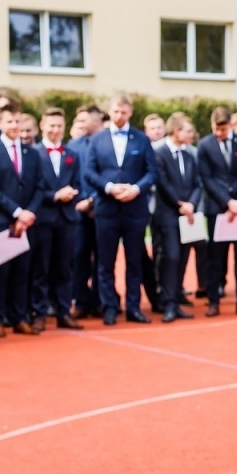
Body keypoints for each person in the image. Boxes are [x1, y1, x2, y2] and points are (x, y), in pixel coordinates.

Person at [84, 95, 155, 325]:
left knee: (135, 260)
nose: (119, 116)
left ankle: (133, 307)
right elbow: (89, 172)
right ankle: (109, 308)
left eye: (123, 112)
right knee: (106, 262)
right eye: (115, 111)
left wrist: (136, 189)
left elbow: (151, 172)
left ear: (130, 112)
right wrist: (110, 188)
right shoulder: (97, 140)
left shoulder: (142, 140)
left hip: (134, 209)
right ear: (110, 112)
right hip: (107, 208)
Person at [0, 100, 42, 336]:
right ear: (0, 123)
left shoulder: (32, 153)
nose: (14, 125)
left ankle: (19, 317)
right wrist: (17, 212)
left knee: (22, 271)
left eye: (18, 121)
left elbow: (39, 186)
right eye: (10, 121)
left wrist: (28, 214)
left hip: (27, 223)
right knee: (0, 272)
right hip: (1, 219)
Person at [195, 106, 237, 318]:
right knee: (216, 257)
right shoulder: (204, 145)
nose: (219, 133)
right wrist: (228, 202)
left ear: (230, 126)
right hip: (218, 210)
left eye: (223, 129)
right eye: (216, 129)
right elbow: (206, 179)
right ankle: (213, 302)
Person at [30, 108, 83, 329]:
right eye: (51, 125)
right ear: (42, 126)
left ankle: (63, 311)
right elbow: (32, 187)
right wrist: (54, 196)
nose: (55, 130)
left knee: (64, 267)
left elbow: (79, 184)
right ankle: (40, 312)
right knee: (41, 267)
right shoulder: (33, 153)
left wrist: (72, 194)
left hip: (67, 218)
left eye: (59, 126)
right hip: (43, 216)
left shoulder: (72, 154)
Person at [151, 112, 201, 323]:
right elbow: (162, 183)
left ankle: (176, 300)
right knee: (170, 257)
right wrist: (181, 205)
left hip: (187, 215)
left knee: (182, 257)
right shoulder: (159, 153)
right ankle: (168, 303)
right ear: (176, 131)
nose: (191, 134)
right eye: (188, 130)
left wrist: (191, 204)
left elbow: (198, 183)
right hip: (168, 214)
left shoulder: (190, 155)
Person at [69, 105, 104, 320]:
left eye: (85, 120)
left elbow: (113, 176)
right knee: (78, 258)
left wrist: (93, 201)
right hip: (78, 212)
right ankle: (81, 301)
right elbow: (69, 178)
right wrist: (81, 201)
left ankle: (101, 301)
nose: (81, 124)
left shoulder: (107, 144)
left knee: (103, 259)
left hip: (103, 209)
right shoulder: (73, 146)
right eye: (78, 120)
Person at [140, 113, 169, 313]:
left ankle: (165, 290)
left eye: (159, 127)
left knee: (164, 251)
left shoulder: (171, 151)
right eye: (152, 128)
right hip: (142, 208)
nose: (157, 131)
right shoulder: (141, 149)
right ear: (146, 131)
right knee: (141, 254)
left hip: (165, 209)